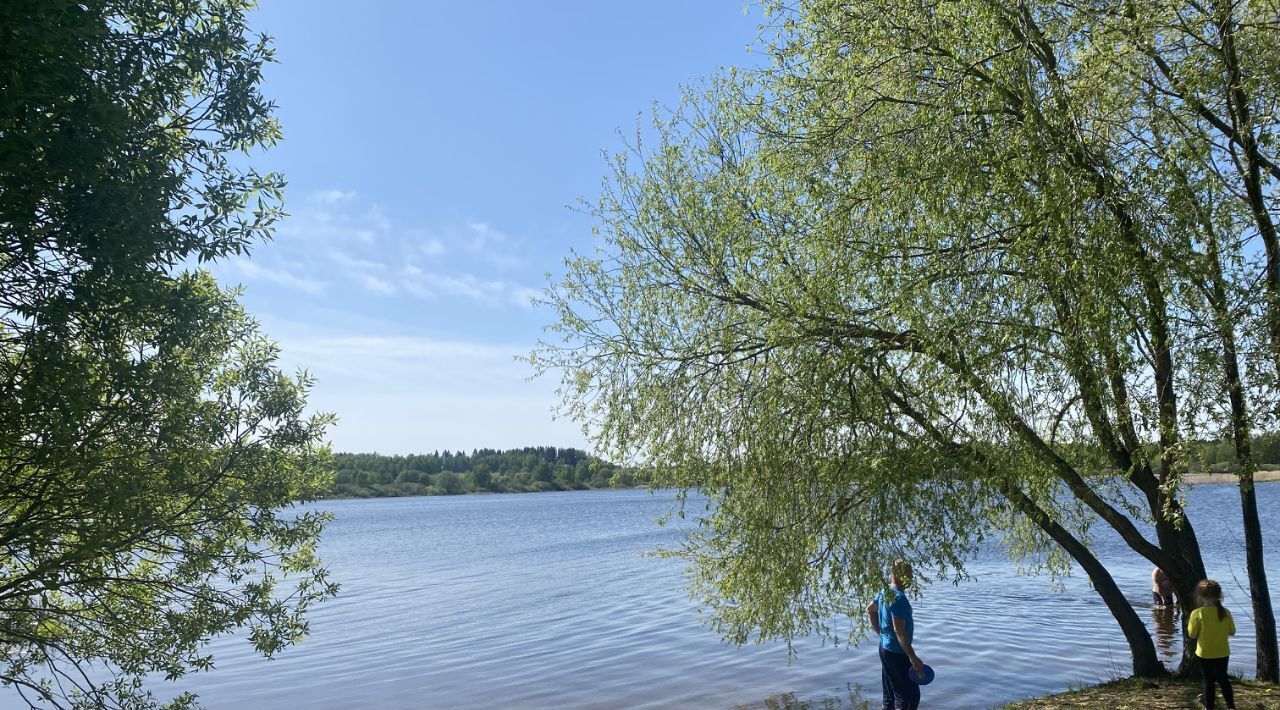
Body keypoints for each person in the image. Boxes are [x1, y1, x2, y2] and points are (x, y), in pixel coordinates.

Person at [866, 560, 925, 710]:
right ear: (900, 575)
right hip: (898, 653)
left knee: (890, 696)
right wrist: (913, 657)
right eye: (910, 573)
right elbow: (899, 630)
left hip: (885, 649)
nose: (912, 577)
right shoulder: (899, 598)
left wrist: (880, 633)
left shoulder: (885, 592)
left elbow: (870, 610)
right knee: (909, 698)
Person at [1187, 579, 1236, 710]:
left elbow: (1192, 635)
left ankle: (1209, 708)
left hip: (1204, 653)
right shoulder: (1225, 612)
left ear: (1200, 596)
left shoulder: (1197, 614)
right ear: (1219, 595)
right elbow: (1232, 632)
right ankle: (1231, 706)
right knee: (1223, 679)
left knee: (1209, 682)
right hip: (1222, 652)